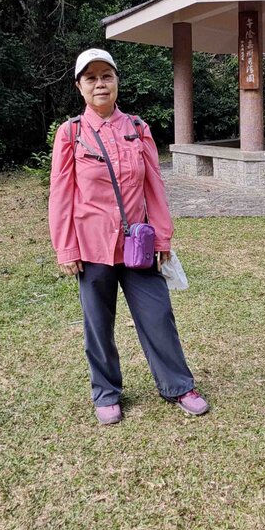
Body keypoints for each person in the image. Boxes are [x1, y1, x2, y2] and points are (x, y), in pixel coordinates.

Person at [48, 48, 208, 425]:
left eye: (107, 76)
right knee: (98, 325)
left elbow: (154, 186)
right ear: (79, 86)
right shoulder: (71, 133)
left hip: (138, 245)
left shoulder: (137, 128)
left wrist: (163, 237)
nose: (100, 84)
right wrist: (66, 247)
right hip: (92, 247)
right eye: (91, 78)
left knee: (158, 315)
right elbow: (61, 194)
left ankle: (178, 385)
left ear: (117, 81)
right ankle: (106, 393)